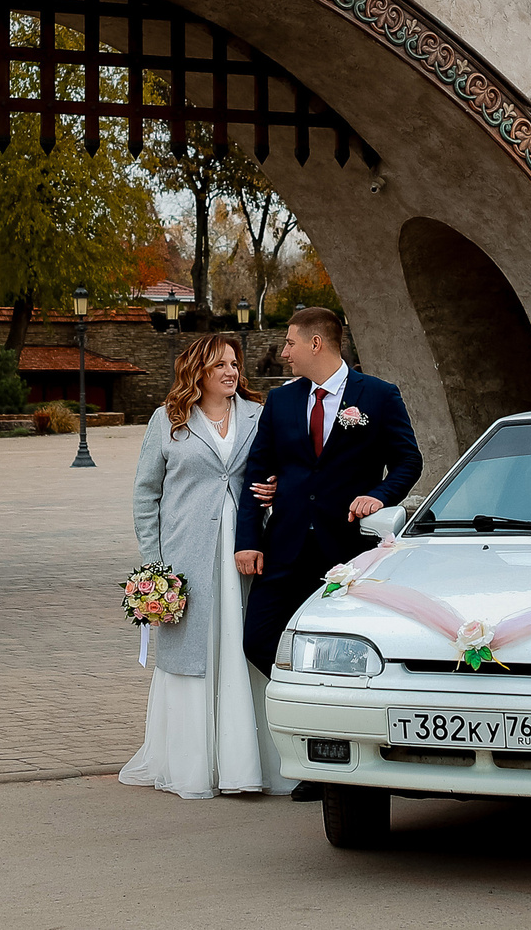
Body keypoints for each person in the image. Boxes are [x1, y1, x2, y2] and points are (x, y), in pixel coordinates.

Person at [237, 306, 421, 797]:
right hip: (287, 546)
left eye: (290, 343)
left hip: (349, 553)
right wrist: (249, 540)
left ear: (316, 343)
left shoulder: (378, 396)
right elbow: (258, 472)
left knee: (348, 652)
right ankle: (321, 730)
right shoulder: (281, 401)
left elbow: (409, 461)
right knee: (258, 639)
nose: (284, 352)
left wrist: (380, 496)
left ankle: (334, 764)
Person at [121, 335, 294, 798]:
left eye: (234, 364)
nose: (231, 372)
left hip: (246, 553)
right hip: (187, 557)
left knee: (246, 649)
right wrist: (154, 565)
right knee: (193, 656)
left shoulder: (260, 416)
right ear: (198, 371)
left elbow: (281, 472)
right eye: (220, 365)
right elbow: (145, 495)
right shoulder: (169, 421)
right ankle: (192, 765)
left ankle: (249, 765)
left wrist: (278, 493)